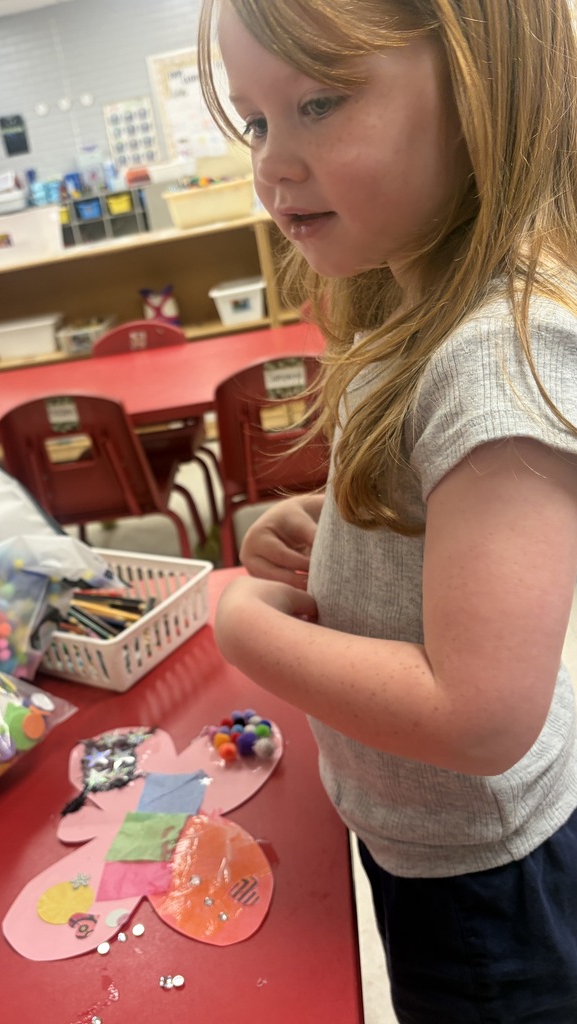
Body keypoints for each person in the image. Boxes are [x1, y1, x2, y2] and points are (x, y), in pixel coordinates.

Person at [198, 1, 577, 1021]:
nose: (273, 167)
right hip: (427, 837)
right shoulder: (413, 306)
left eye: (319, 102)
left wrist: (241, 625)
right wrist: (341, 523)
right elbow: (440, 494)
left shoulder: (497, 354)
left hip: (482, 876)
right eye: (256, 121)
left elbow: (481, 713)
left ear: (480, 95)